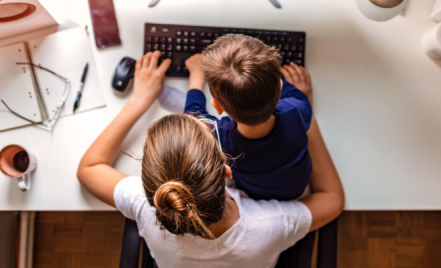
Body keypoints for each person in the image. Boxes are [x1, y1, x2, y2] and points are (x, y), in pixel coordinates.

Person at [77, 51, 344, 268]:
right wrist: (305, 117)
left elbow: (89, 168)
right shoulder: (269, 225)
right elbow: (332, 199)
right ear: (228, 171)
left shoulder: (148, 207)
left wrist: (139, 100)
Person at [184, 34, 313, 201]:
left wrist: (195, 76)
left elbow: (193, 117)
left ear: (217, 106)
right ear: (280, 89)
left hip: (254, 193)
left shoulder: (220, 137)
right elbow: (292, 93)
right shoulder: (297, 108)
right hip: (296, 189)